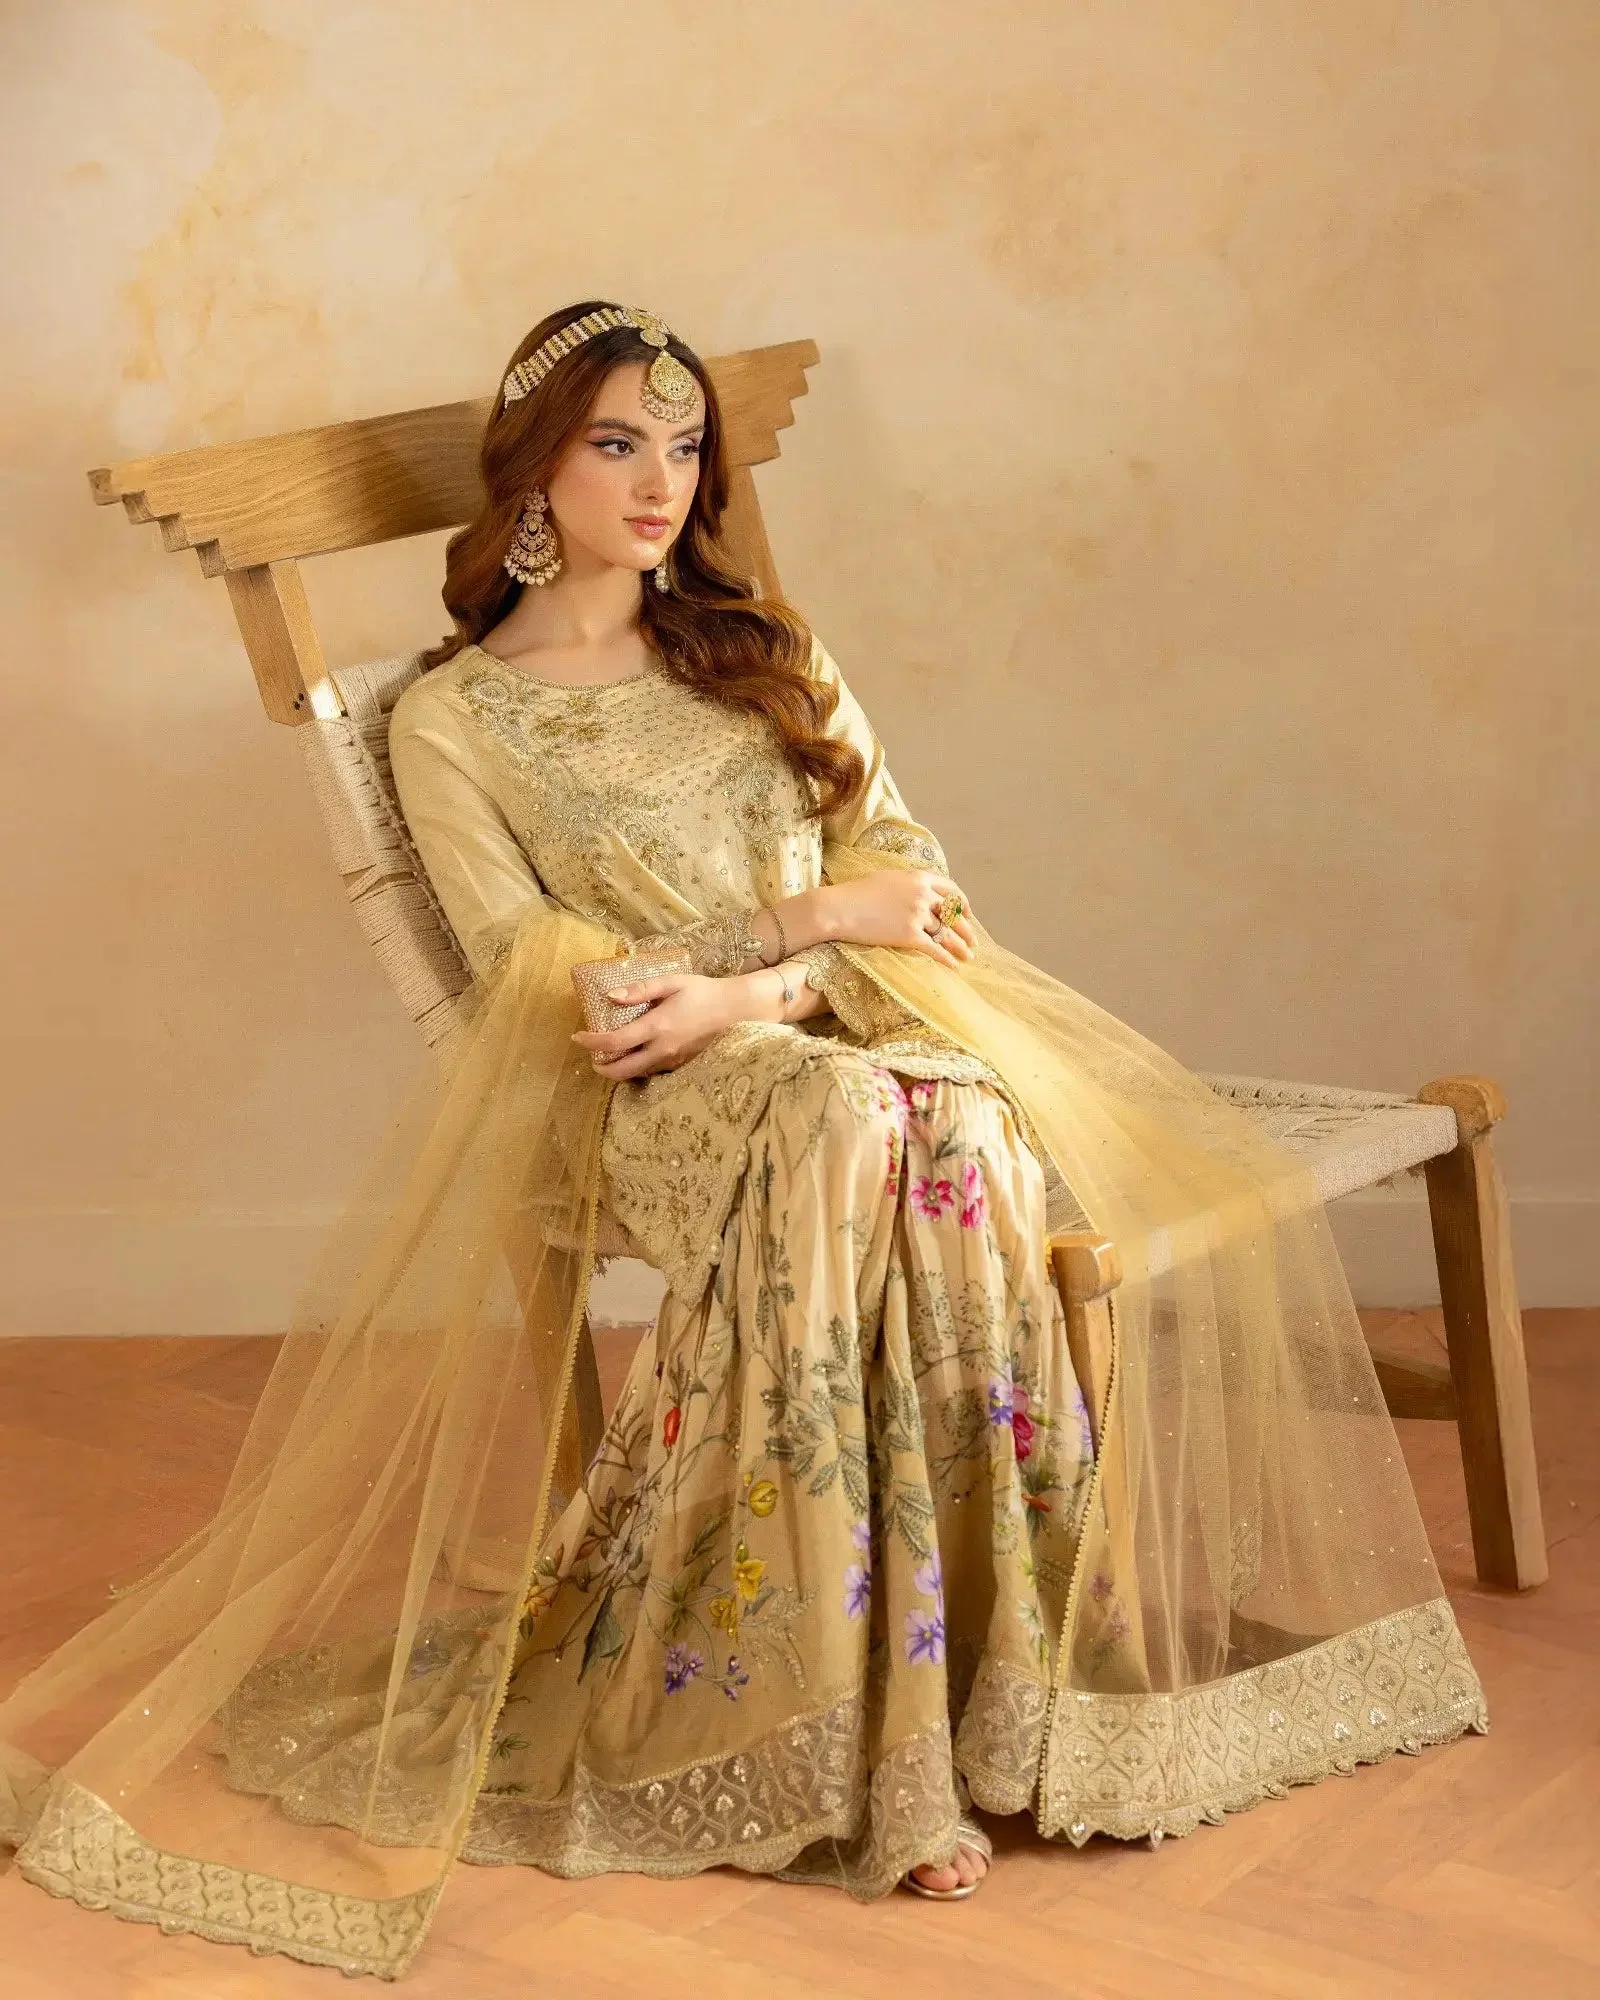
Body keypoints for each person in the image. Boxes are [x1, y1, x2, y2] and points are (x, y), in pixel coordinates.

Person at [0, 303, 1487, 1979]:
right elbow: (540, 979)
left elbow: (913, 882)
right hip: (643, 1097)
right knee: (856, 1118)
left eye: (685, 444)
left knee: (936, 1120)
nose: (660, 480)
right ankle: (837, 1730)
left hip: (851, 1035)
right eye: (616, 443)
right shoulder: (456, 722)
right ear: (534, 473)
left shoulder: (760, 648)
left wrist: (770, 981)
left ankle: (988, 1693)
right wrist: (784, 945)